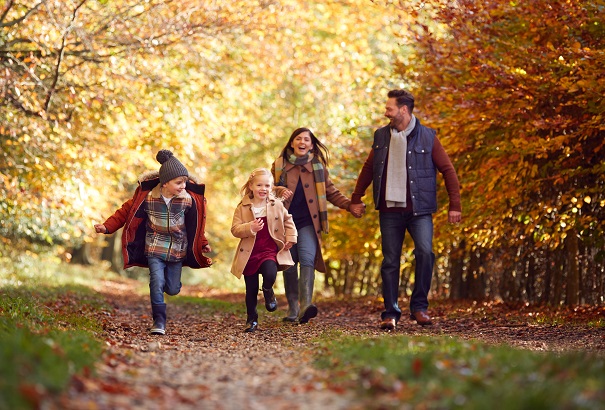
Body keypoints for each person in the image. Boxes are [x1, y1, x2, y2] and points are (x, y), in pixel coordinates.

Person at [349, 89, 461, 330]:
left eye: (389, 108)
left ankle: (419, 307)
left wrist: (455, 205)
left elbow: (448, 170)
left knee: (425, 253)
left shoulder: (428, 136)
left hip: (419, 210)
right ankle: (390, 313)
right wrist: (356, 198)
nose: (385, 112)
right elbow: (369, 168)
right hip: (389, 210)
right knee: (390, 261)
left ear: (403, 109)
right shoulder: (381, 136)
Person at [94, 149, 212, 335]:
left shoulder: (187, 200)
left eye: (185, 181)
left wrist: (202, 243)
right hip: (154, 246)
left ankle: (170, 286)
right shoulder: (148, 197)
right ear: (165, 183)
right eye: (179, 182)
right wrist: (107, 227)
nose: (184, 185)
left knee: (172, 289)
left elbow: (196, 225)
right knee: (156, 282)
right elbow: (125, 212)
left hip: (177, 249)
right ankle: (159, 321)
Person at [272, 127, 359, 324]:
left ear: (311, 145)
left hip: (308, 223)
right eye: (298, 138)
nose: (302, 142)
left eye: (307, 139)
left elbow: (332, 193)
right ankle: (293, 307)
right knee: (289, 263)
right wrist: (278, 190)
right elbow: (267, 191)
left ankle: (305, 306)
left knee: (307, 258)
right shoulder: (279, 165)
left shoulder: (318, 168)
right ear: (292, 142)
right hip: (285, 223)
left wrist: (349, 205)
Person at [230, 168, 297, 332]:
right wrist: (250, 227)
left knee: (270, 272)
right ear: (251, 186)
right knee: (251, 290)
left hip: (268, 250)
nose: (263, 189)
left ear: (271, 187)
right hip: (249, 253)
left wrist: (291, 237)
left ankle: (267, 289)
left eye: (267, 185)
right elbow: (235, 229)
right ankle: (251, 320)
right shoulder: (243, 207)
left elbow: (288, 221)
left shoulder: (276, 205)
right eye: (259, 185)